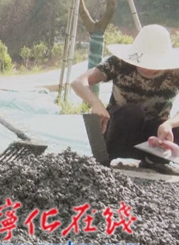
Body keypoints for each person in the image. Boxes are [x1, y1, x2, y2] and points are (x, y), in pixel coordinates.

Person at [72, 24, 179, 172]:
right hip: (119, 131)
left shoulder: (175, 72)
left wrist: (170, 124)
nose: (148, 68)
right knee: (133, 112)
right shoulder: (120, 63)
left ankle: (154, 161)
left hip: (154, 138)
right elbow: (79, 82)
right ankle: (109, 157)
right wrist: (96, 103)